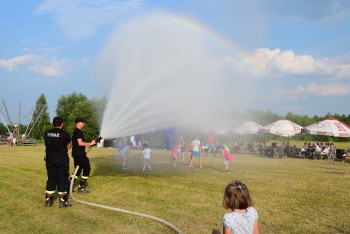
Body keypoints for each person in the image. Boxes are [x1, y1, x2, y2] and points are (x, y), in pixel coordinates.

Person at [44, 117, 72, 208]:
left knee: (51, 178)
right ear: (61, 124)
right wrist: (64, 148)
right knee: (62, 179)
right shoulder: (65, 133)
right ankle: (63, 202)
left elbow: (47, 146)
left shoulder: (47, 133)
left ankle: (48, 201)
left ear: (53, 124)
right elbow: (70, 144)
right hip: (61, 159)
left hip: (49, 158)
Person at [71, 118, 96, 193]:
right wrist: (90, 143)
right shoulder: (78, 131)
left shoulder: (75, 131)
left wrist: (92, 143)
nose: (84, 124)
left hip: (76, 153)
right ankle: (81, 186)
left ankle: (68, 185)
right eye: (82, 122)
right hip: (79, 154)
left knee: (77, 171)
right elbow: (80, 143)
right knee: (87, 168)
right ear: (78, 123)